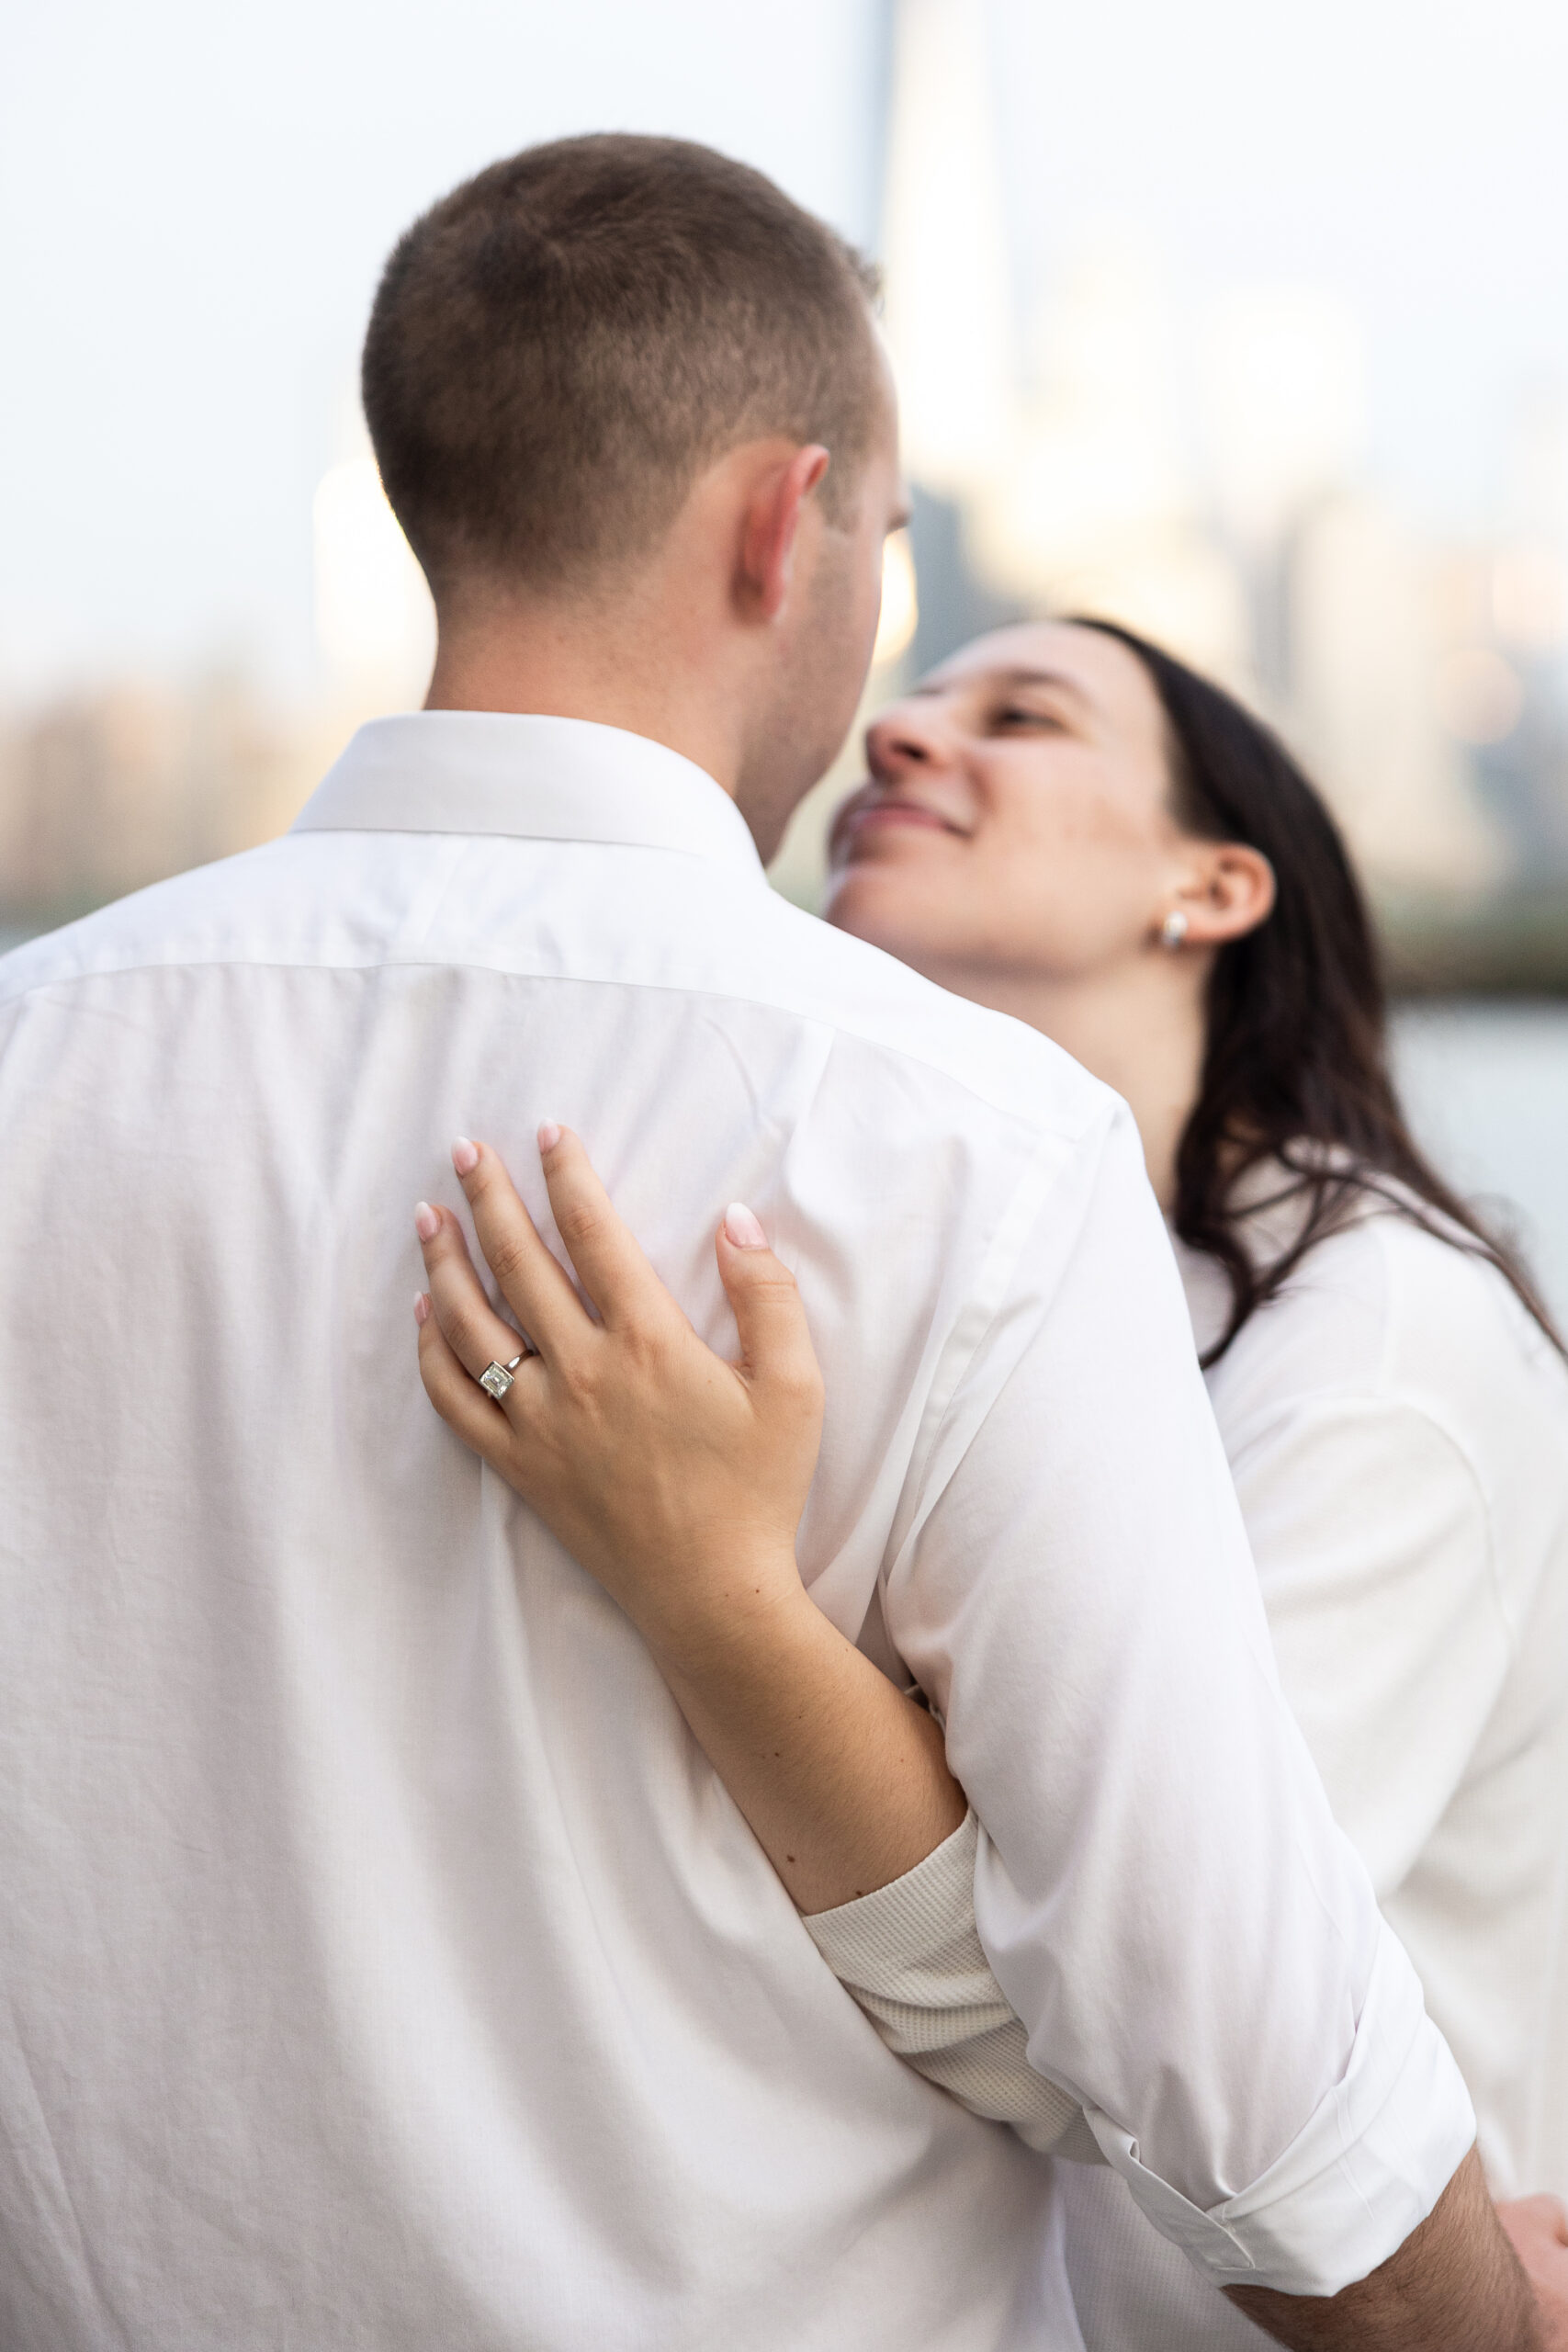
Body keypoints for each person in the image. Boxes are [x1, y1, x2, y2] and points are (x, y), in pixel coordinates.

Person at [0, 134, 1534, 2351]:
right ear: (777, 523)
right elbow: (1228, 2037)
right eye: (893, 550)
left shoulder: (38, 1053)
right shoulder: (963, 1142)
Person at [411, 618, 1568, 2346]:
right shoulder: (1000, 1275)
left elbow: (1154, 2017)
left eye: (1019, 716)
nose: (899, 741)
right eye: (910, 705)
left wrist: (714, 1590)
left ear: (1215, 887)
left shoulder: (1381, 1340)